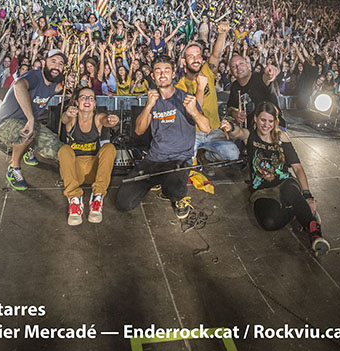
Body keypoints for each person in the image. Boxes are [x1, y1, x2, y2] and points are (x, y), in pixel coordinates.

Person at [221, 102, 330, 256]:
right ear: (256, 119)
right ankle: (297, 210)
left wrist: (307, 195)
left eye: (270, 121)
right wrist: (230, 127)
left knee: (291, 192)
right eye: (263, 120)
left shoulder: (281, 137)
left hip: (284, 182)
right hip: (262, 190)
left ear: (275, 121)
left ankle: (315, 233)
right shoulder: (250, 135)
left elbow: (297, 168)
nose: (266, 125)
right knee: (269, 223)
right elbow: (237, 133)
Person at [116, 55, 211, 218]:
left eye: (166, 70)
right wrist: (148, 106)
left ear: (173, 74)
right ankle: (159, 179)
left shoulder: (185, 98)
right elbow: (139, 130)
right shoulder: (152, 100)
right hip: (154, 159)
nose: (162, 74)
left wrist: (194, 112)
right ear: (153, 76)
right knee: (123, 202)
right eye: (158, 71)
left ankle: (177, 195)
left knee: (173, 190)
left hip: (179, 160)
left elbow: (206, 128)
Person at [0, 49, 67, 190]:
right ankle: (14, 168)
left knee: (57, 149)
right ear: (43, 63)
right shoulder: (34, 76)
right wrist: (31, 119)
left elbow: (57, 88)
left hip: (30, 125)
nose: (57, 66)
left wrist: (68, 84)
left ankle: (27, 149)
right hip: (5, 123)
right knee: (26, 134)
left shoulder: (52, 83)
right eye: (53, 61)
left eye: (61, 64)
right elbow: (19, 85)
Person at [176, 20, 240, 163]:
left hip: (214, 130)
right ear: (184, 61)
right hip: (193, 133)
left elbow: (216, 55)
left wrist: (222, 34)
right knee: (184, 161)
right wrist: (200, 88)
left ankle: (205, 156)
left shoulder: (207, 71)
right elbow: (195, 111)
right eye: (191, 57)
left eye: (198, 56)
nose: (196, 59)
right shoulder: (180, 87)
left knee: (233, 154)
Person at [58, 87, 118, 225]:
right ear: (77, 102)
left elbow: (105, 120)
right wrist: (67, 113)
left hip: (94, 171)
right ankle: (74, 200)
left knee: (109, 148)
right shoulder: (72, 118)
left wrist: (111, 120)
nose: (87, 100)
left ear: (94, 103)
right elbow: (64, 119)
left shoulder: (97, 118)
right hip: (75, 172)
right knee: (64, 149)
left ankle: (97, 197)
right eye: (83, 97)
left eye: (91, 98)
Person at [227, 54, 284, 128]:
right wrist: (233, 113)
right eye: (233, 66)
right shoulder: (235, 86)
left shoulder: (259, 77)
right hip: (253, 129)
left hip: (274, 127)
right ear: (231, 72)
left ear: (248, 65)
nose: (238, 68)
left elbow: (266, 78)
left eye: (241, 63)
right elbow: (230, 107)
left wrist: (270, 74)